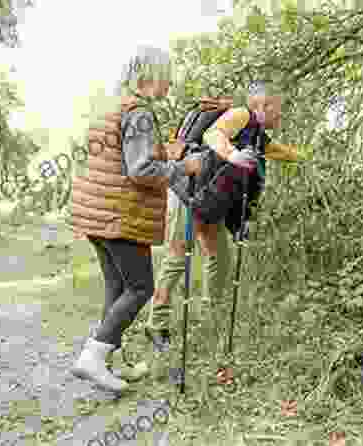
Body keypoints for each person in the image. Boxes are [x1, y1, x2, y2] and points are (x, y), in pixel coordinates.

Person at [68, 45, 203, 393]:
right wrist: (183, 166)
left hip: (96, 213)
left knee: (117, 289)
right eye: (166, 79)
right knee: (141, 287)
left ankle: (108, 362)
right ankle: (93, 359)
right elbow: (141, 170)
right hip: (120, 215)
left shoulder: (112, 106)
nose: (169, 86)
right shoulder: (140, 112)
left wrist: (163, 154)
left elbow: (120, 157)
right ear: (149, 76)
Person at [146, 81, 300, 351]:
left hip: (212, 201)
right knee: (177, 258)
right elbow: (213, 134)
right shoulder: (240, 115)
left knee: (219, 258)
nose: (281, 115)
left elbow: (275, 152)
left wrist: (306, 157)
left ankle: (211, 316)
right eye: (279, 109)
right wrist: (233, 155)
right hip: (190, 194)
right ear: (263, 105)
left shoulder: (257, 135)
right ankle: (156, 324)